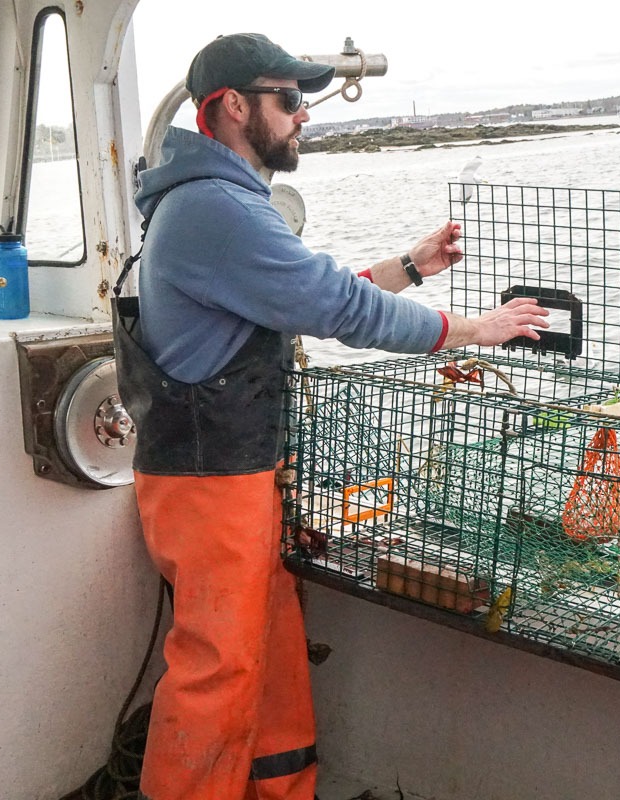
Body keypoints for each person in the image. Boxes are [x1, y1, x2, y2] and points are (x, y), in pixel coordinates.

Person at [115, 32, 548, 800]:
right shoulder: (214, 208)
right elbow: (334, 305)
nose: (303, 115)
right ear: (232, 107)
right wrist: (475, 329)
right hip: (210, 486)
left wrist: (409, 268)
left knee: (271, 650)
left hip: (234, 477)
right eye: (289, 100)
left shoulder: (213, 203)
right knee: (218, 671)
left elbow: (296, 294)